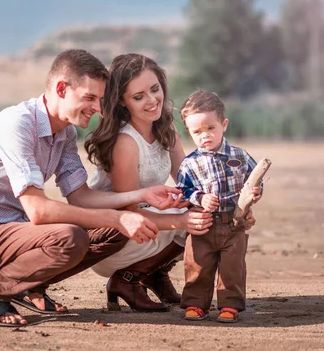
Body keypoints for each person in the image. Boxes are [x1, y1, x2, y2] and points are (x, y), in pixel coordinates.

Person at [0, 49, 184, 327]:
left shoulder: (66, 133)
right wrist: (120, 216)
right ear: (62, 88)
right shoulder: (17, 124)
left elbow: (81, 197)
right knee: (71, 238)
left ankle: (29, 286)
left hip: (19, 233)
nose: (98, 108)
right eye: (90, 98)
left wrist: (140, 196)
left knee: (112, 231)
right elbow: (37, 211)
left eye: (100, 99)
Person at [85, 54, 225, 312]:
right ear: (123, 103)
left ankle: (154, 274)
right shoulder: (125, 143)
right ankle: (126, 279)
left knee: (207, 211)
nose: (152, 101)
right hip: (114, 238)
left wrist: (232, 203)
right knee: (191, 218)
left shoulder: (166, 128)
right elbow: (129, 214)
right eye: (138, 97)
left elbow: (190, 182)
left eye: (154, 89)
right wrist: (182, 221)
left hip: (149, 226)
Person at [176, 89, 262, 323]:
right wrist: (200, 198)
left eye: (210, 128)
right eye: (197, 132)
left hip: (234, 222)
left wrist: (255, 193)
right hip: (204, 225)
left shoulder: (239, 155)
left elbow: (254, 179)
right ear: (190, 133)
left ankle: (229, 305)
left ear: (223, 124)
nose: (205, 135)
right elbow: (182, 190)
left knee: (232, 268)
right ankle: (196, 304)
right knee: (197, 265)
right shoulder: (190, 163)